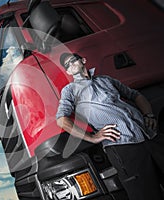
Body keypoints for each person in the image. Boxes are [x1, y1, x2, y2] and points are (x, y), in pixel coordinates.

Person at [56, 52, 164, 200]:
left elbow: (135, 95)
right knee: (145, 195)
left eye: (73, 60)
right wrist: (92, 137)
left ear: (83, 60)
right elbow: (61, 120)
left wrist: (149, 114)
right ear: (67, 71)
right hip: (123, 146)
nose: (71, 65)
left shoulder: (106, 80)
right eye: (67, 65)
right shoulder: (70, 90)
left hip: (150, 135)